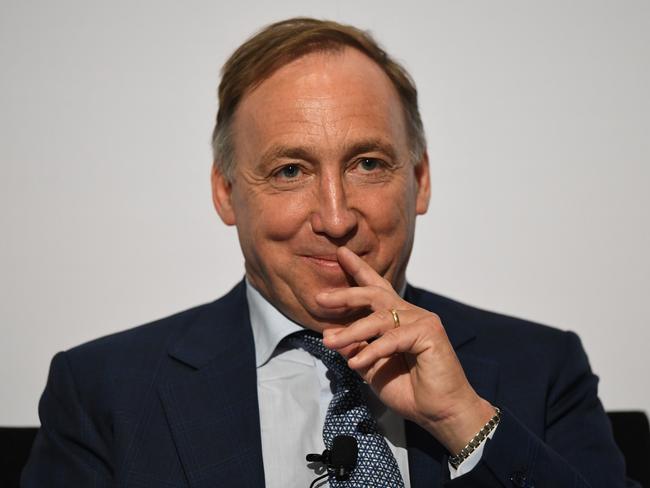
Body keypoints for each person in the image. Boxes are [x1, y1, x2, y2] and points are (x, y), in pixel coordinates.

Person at [22, 17, 637, 488]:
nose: (337, 218)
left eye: (368, 164)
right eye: (290, 171)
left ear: (420, 181)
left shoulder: (545, 368)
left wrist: (465, 422)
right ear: (226, 193)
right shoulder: (102, 392)